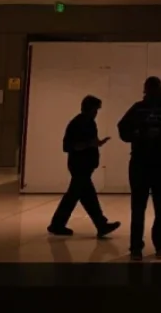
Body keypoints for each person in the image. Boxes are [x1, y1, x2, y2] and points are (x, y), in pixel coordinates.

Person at [117, 77, 161, 261]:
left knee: (156, 205)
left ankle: (154, 245)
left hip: (158, 161)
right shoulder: (140, 107)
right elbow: (123, 129)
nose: (150, 94)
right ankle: (141, 247)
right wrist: (139, 134)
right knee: (146, 206)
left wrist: (160, 133)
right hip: (144, 161)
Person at [48, 95, 120, 237]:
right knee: (79, 196)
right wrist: (89, 145)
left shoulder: (89, 123)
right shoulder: (78, 123)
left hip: (84, 166)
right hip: (79, 166)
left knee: (82, 196)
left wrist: (97, 143)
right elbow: (68, 146)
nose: (96, 113)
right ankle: (98, 224)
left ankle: (99, 224)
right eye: (95, 109)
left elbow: (88, 142)